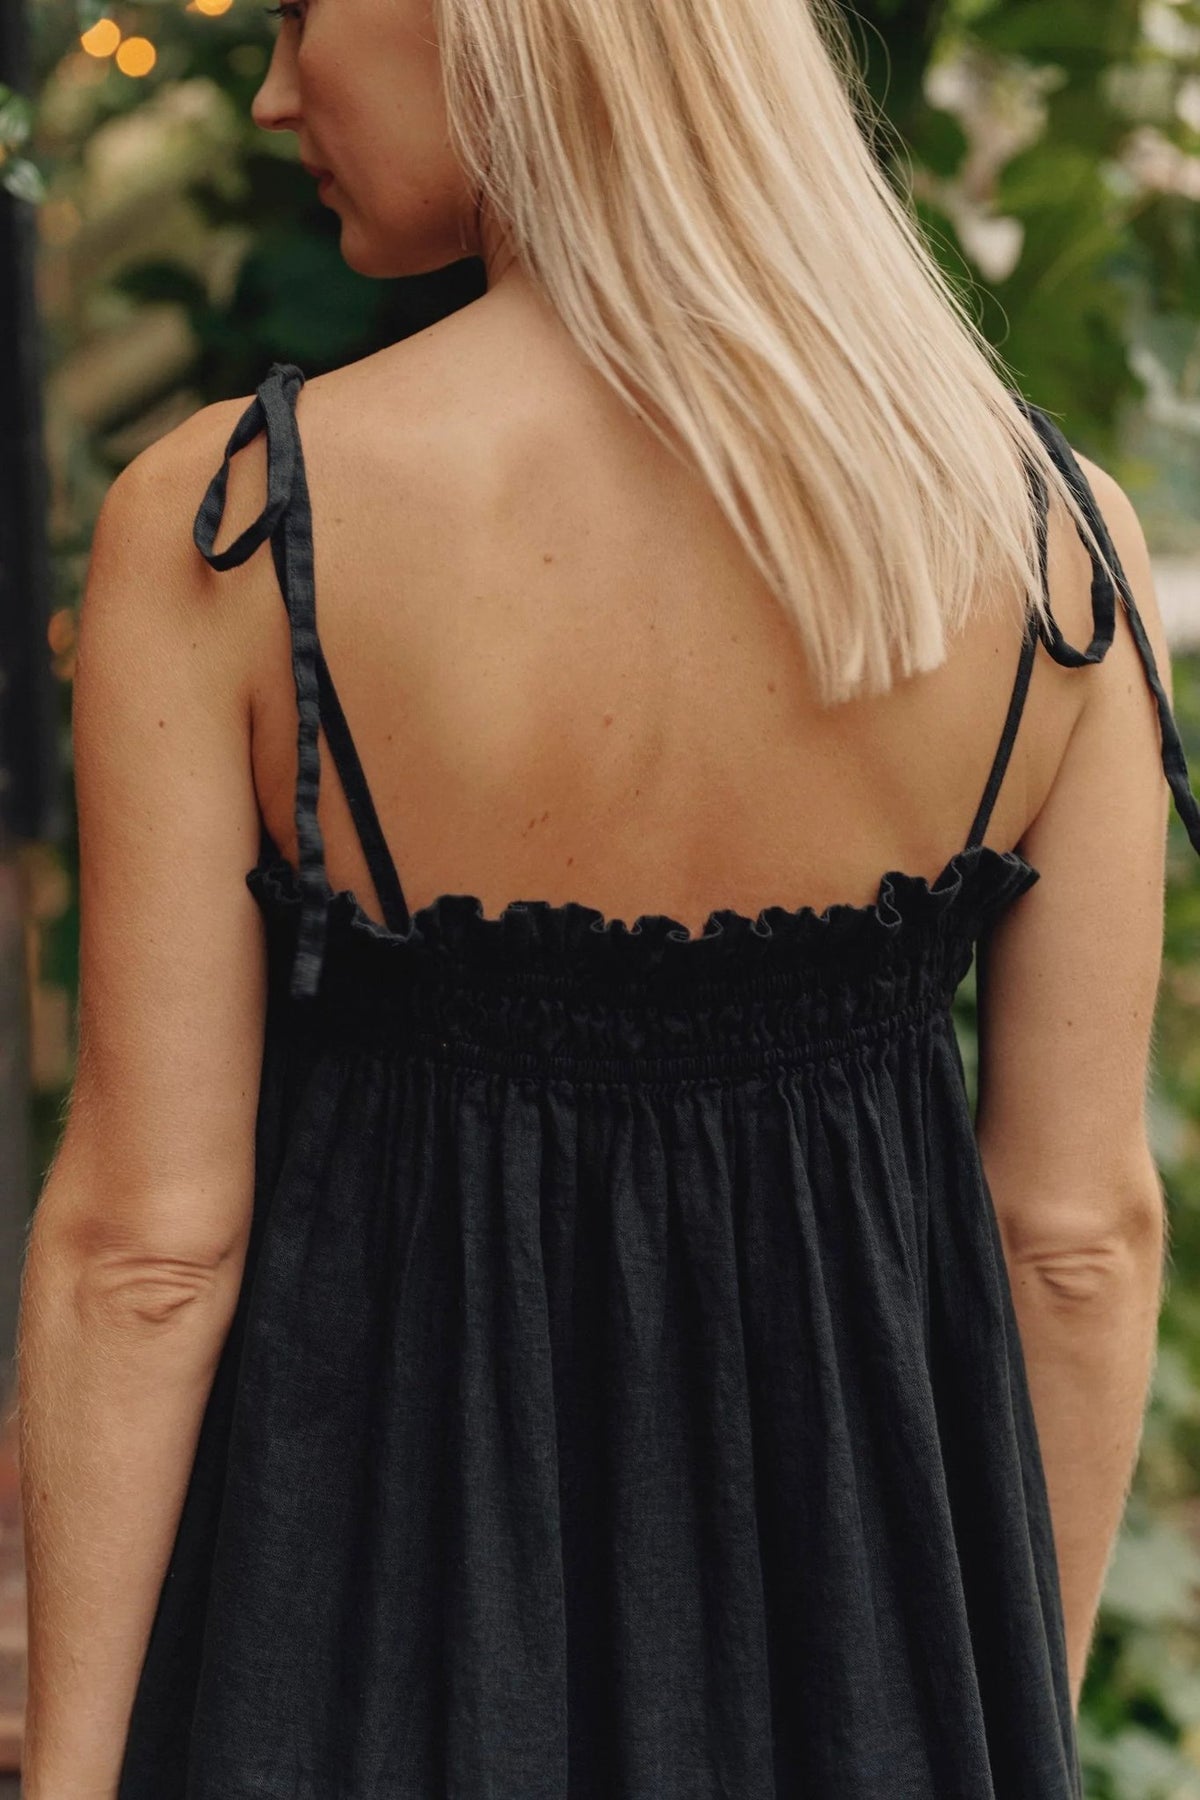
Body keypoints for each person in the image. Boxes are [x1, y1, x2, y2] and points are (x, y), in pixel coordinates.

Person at [16, 0, 1200, 1793]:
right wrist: (986, 1704)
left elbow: (148, 1256)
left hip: (348, 1647)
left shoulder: (241, 528)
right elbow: (1080, 1242)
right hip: (864, 1672)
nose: (267, 92)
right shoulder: (1052, 549)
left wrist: (73, 1774)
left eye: (298, 13)